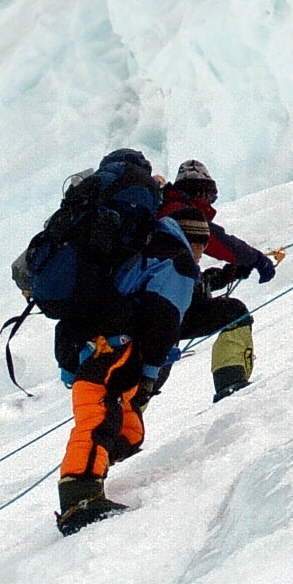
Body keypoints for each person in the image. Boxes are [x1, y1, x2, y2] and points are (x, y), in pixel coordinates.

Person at [55, 202, 203, 535]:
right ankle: (80, 497)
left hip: (95, 347)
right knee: (99, 420)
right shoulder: (173, 262)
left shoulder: (136, 254)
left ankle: (90, 472)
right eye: (203, 246)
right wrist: (150, 373)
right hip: (110, 348)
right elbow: (162, 318)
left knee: (128, 429)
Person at [157, 160, 283, 402]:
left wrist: (222, 277)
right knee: (234, 314)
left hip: (151, 309)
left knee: (144, 374)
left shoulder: (161, 213)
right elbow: (219, 241)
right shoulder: (179, 213)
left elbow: (171, 275)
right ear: (203, 192)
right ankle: (231, 385)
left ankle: (117, 432)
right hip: (163, 313)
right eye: (210, 197)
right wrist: (255, 259)